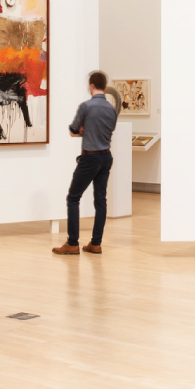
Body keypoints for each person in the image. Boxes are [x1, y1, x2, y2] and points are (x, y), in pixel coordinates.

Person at [53, 70, 118, 255]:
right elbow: (108, 130)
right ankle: (96, 243)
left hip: (90, 157)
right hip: (106, 157)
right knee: (101, 200)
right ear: (104, 87)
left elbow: (73, 130)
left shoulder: (86, 107)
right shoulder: (111, 109)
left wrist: (84, 131)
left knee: (73, 197)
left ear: (91, 86)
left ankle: (72, 243)